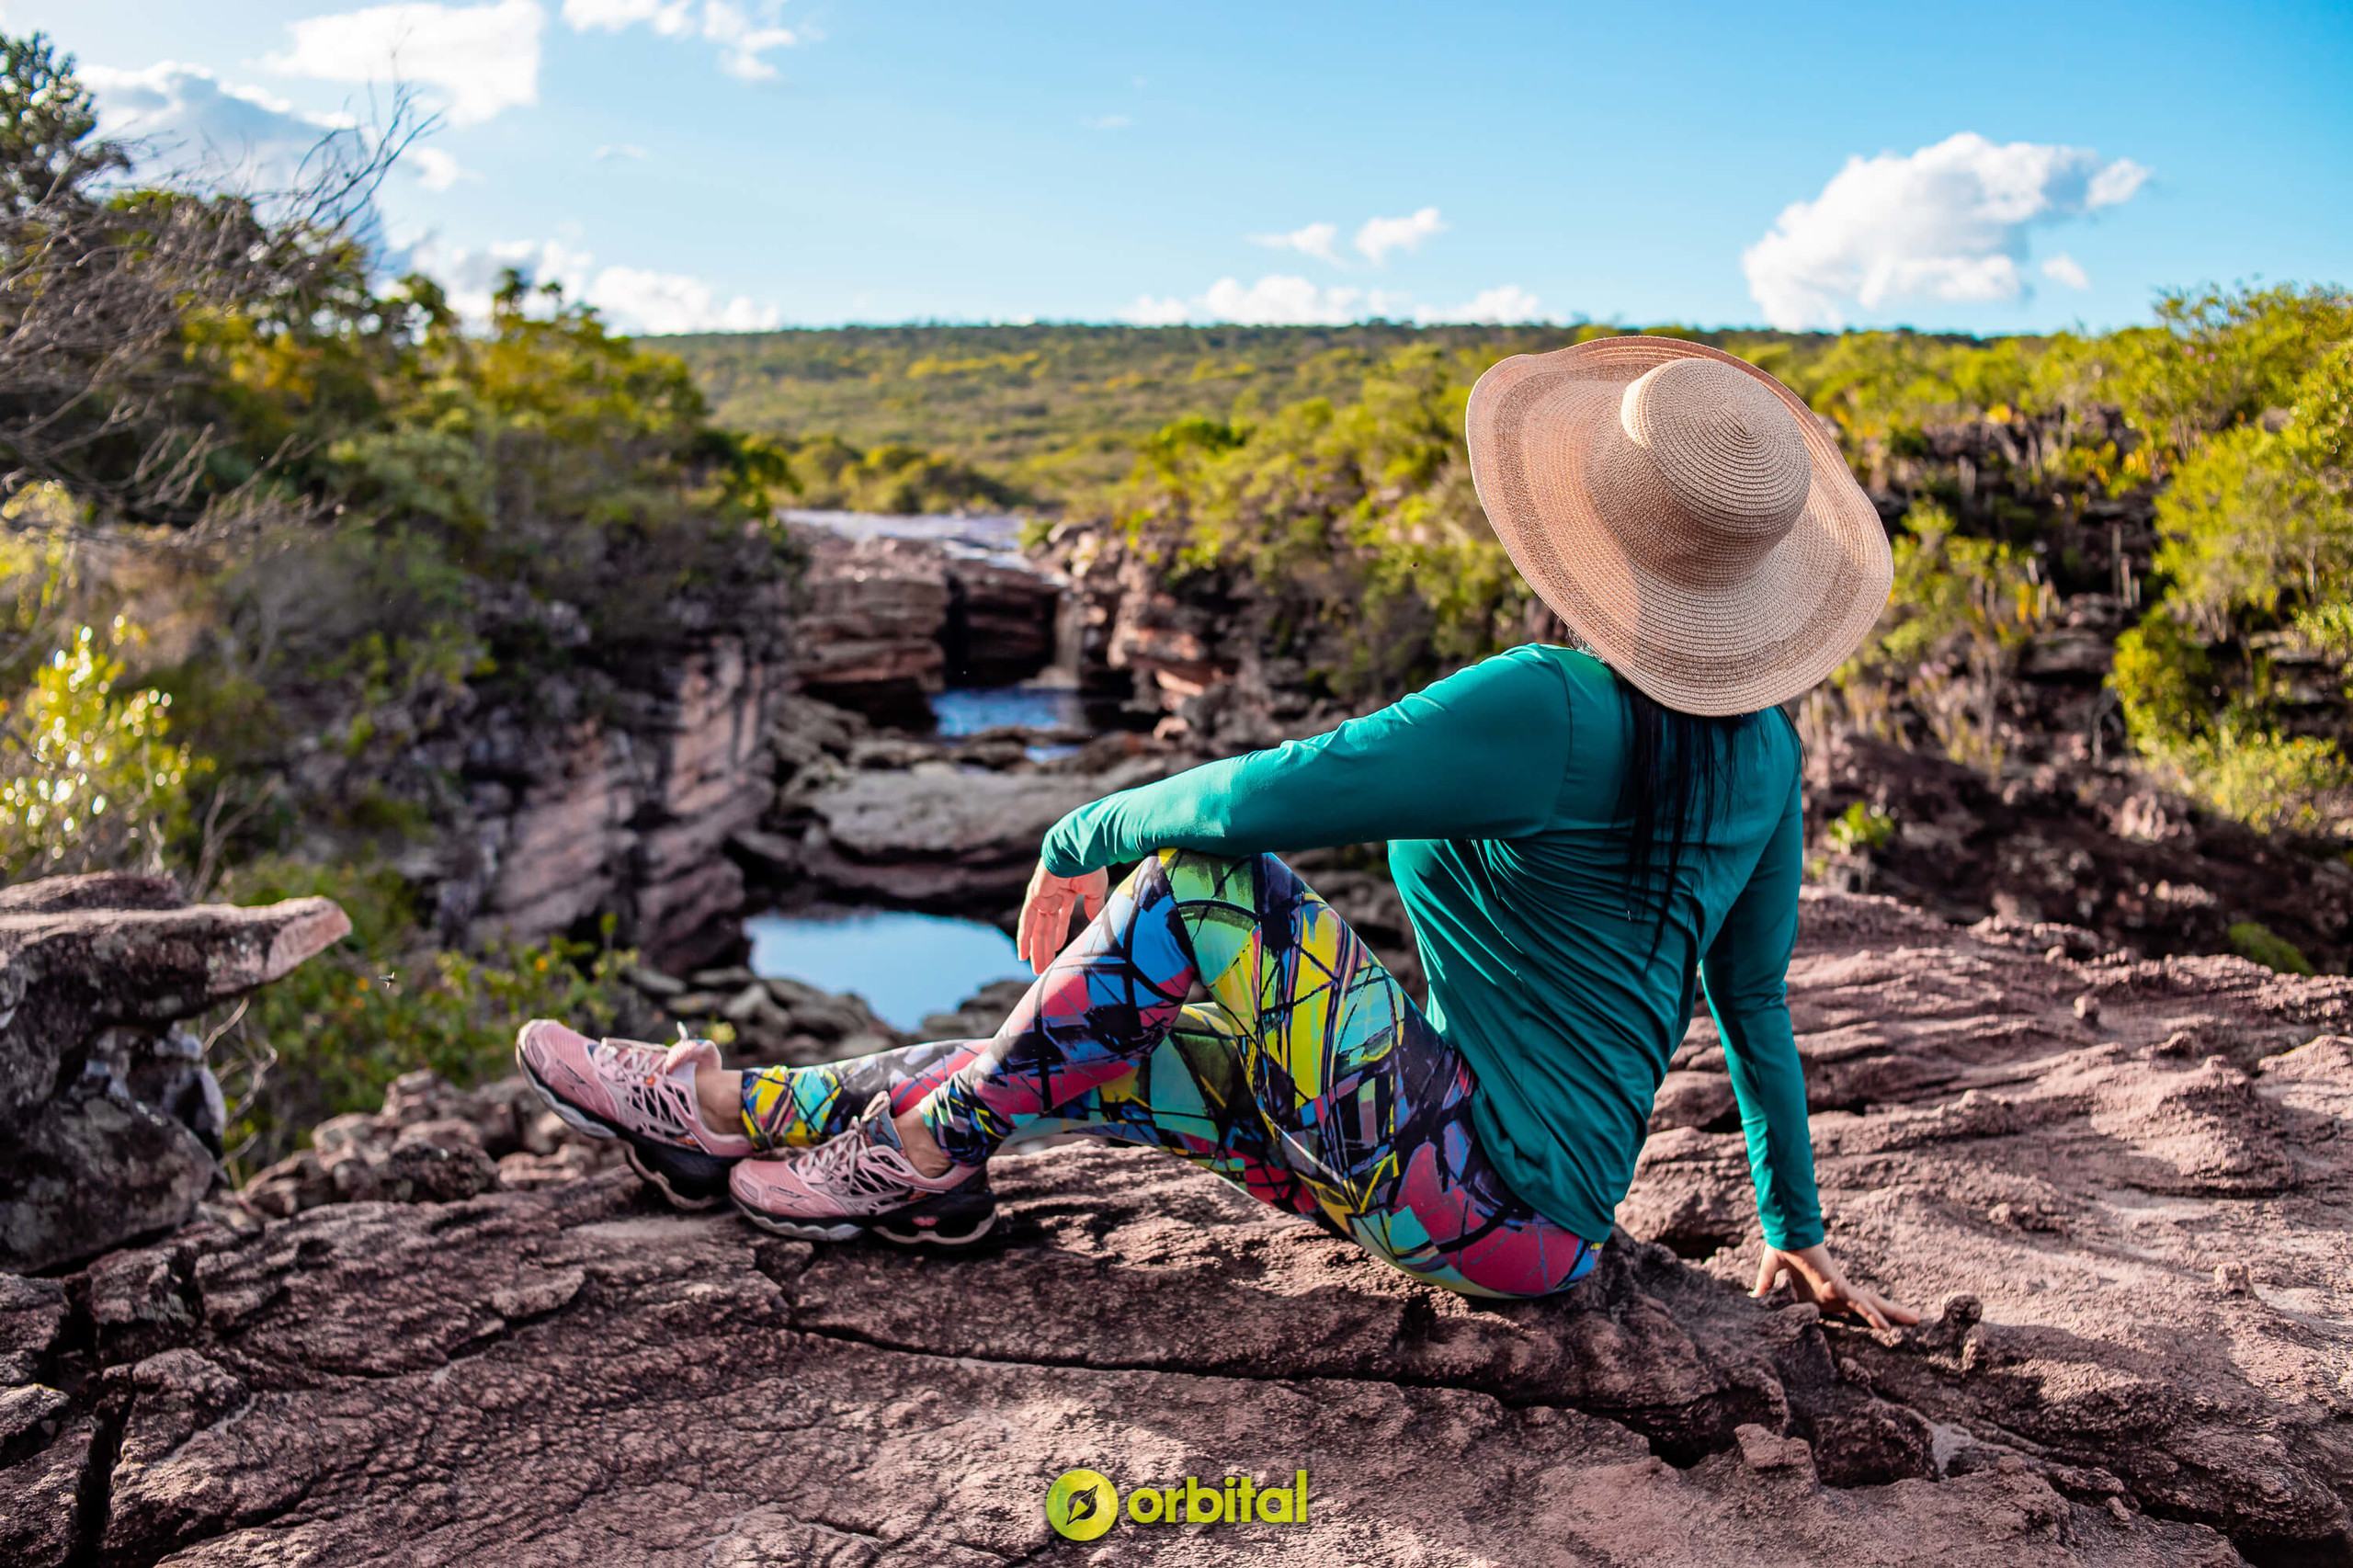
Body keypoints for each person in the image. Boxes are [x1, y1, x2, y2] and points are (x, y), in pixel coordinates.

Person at [517, 336, 1917, 1324]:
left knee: (1208, 891)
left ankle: (929, 1147)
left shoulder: (1550, 702)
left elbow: (1265, 797)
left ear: (1591, 528)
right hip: (1500, 1220)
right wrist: (1792, 1226)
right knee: (1068, 1046)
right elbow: (1756, 1009)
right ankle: (714, 1112)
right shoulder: (1764, 753)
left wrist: (1082, 829)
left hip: (1458, 1177)